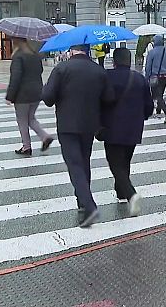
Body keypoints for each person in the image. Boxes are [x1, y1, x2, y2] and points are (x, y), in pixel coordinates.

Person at [42, 43, 115, 228]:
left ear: (71, 50)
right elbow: (109, 98)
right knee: (84, 162)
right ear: (87, 49)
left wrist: (46, 88)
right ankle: (82, 201)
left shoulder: (62, 68)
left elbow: (48, 99)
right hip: (89, 125)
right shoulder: (98, 70)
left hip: (67, 125)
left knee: (74, 164)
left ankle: (89, 206)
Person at [100, 48, 153, 216]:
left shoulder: (106, 77)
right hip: (134, 129)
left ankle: (131, 194)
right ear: (129, 61)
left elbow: (99, 101)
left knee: (114, 163)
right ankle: (120, 192)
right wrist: (140, 117)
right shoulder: (139, 78)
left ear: (114, 61)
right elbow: (149, 107)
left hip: (112, 128)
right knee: (125, 161)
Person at [5, 37, 55, 156]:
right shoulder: (35, 55)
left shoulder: (18, 56)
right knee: (31, 118)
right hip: (37, 92)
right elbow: (40, 70)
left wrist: (9, 96)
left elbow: (15, 78)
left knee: (22, 120)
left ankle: (26, 147)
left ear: (15, 42)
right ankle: (44, 137)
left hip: (23, 95)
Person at [145, 34, 166, 124]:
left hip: (155, 77)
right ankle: (158, 113)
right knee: (160, 94)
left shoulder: (151, 52)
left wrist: (146, 78)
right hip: (165, 77)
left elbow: (148, 67)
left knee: (157, 95)